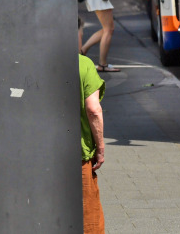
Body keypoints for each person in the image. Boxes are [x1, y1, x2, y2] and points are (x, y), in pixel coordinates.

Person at [80, 50, 106, 233]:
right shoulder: (83, 64)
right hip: (78, 154)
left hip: (37, 154)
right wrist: (101, 147)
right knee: (87, 216)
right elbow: (93, 109)